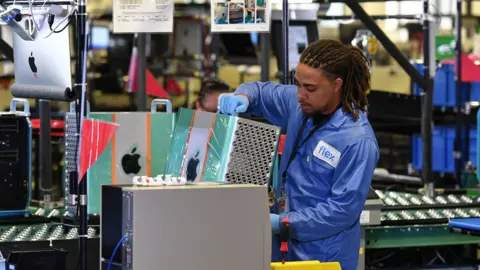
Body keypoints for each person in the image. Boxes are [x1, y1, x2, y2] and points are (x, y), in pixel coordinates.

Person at [218, 39, 379, 270]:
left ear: (336, 85)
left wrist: (283, 223)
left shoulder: (357, 141)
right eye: (297, 84)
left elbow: (341, 211)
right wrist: (243, 97)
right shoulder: (301, 105)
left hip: (323, 255)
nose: (301, 94)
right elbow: (261, 92)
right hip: (284, 246)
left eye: (310, 88)